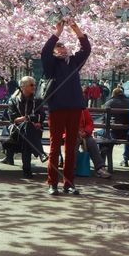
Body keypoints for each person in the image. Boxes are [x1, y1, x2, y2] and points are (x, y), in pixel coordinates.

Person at [40, 19, 91, 196]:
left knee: (71, 147)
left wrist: (77, 30)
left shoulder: (74, 63)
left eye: (64, 47)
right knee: (55, 147)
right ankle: (52, 182)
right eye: (58, 48)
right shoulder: (50, 65)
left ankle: (68, 183)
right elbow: (45, 51)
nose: (62, 49)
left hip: (75, 107)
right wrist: (57, 33)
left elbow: (86, 49)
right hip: (57, 108)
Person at [4, 76, 46, 178]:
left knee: (27, 137)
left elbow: (41, 116)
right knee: (27, 128)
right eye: (31, 85)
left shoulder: (38, 101)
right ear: (22, 86)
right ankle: (40, 152)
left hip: (32, 132)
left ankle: (27, 171)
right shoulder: (13, 100)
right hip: (16, 132)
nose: (34, 87)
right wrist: (30, 119)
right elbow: (14, 119)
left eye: (34, 85)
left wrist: (27, 119)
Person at [103, 86, 129, 168]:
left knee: (101, 133)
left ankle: (102, 160)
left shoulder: (109, 103)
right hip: (127, 133)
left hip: (112, 133)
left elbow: (104, 119)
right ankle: (125, 159)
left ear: (113, 94)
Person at [78, 108, 110, 178]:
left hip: (84, 134)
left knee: (91, 142)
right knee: (73, 142)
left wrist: (85, 132)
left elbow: (89, 123)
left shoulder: (83, 109)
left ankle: (100, 168)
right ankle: (71, 168)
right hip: (69, 134)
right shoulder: (65, 107)